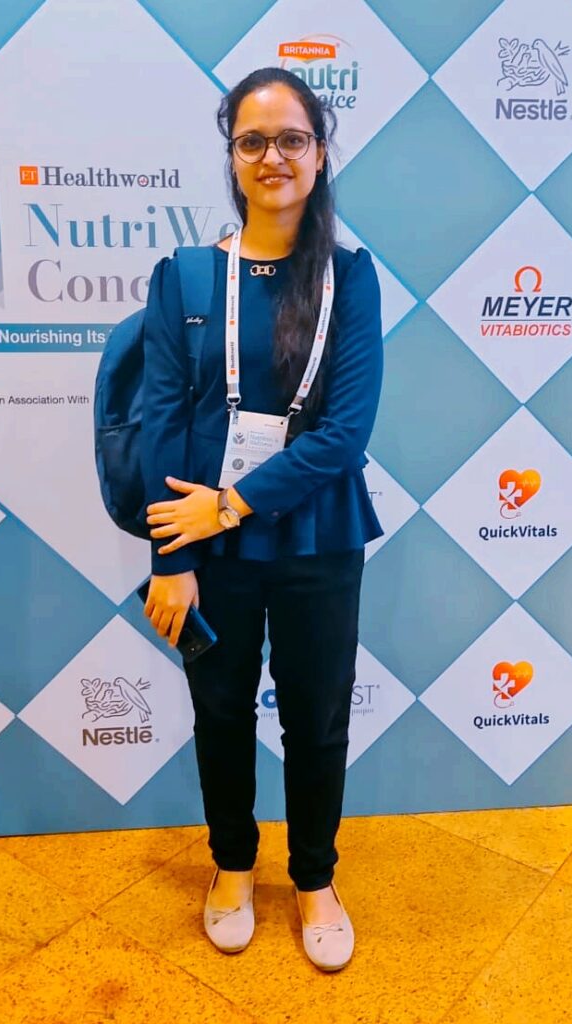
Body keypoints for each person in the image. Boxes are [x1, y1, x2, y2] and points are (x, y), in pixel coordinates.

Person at [140, 67, 384, 972]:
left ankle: (314, 877)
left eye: (291, 139)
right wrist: (171, 558)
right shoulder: (186, 276)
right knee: (219, 709)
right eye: (252, 140)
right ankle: (234, 867)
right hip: (205, 545)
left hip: (318, 533)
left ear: (319, 154)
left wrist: (232, 503)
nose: (272, 156)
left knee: (316, 718)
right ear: (232, 156)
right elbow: (162, 423)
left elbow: (344, 435)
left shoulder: (350, 278)